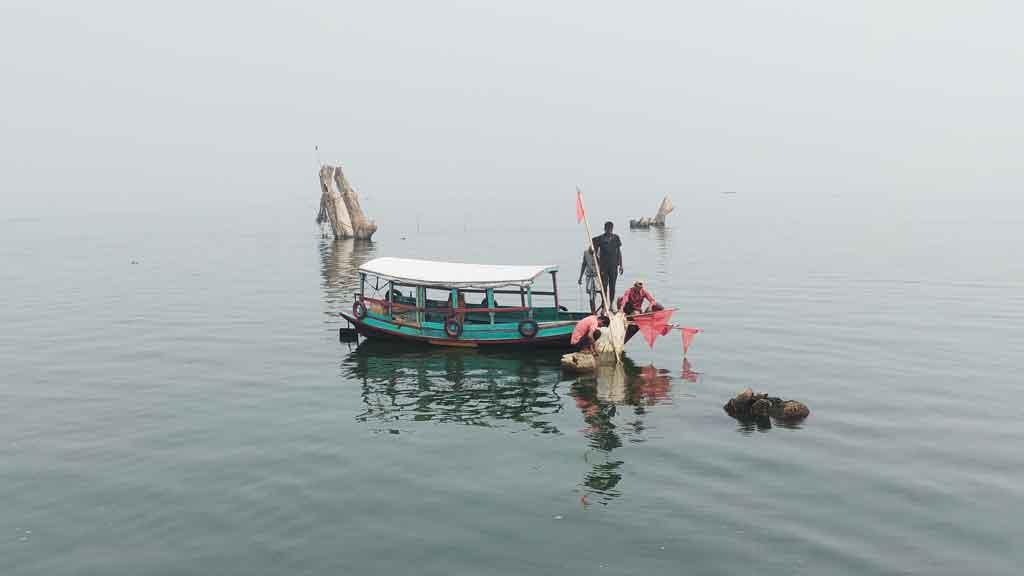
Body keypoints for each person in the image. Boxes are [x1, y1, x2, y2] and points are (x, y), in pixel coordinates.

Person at [592, 221, 623, 308]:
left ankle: (611, 305)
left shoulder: (616, 238)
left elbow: (619, 252)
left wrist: (621, 265)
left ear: (612, 228)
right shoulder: (600, 239)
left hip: (613, 266)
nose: (609, 230)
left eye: (610, 229)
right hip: (603, 267)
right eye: (607, 229)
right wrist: (592, 250)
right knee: (604, 285)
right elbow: (593, 249)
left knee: (612, 286)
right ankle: (604, 304)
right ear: (605, 229)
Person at [577, 247, 598, 313]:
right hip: (589, 276)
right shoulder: (586, 253)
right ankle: (593, 312)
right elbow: (584, 264)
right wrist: (580, 277)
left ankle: (602, 309)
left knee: (600, 293)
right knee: (591, 297)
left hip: (597, 276)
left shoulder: (598, 252)